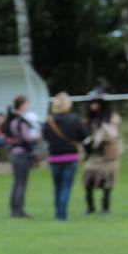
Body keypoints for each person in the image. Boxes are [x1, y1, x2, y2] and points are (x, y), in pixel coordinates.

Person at [42, 92, 87, 220]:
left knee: (57, 187)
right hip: (70, 157)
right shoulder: (74, 119)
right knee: (66, 187)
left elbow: (45, 137)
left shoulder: (49, 121)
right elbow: (83, 136)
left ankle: (58, 212)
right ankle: (62, 214)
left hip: (54, 158)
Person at [81, 93, 123, 214]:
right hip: (93, 155)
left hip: (108, 156)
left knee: (107, 183)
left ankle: (105, 208)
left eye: (96, 102)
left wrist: (103, 130)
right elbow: (84, 134)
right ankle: (90, 207)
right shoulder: (89, 119)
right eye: (92, 103)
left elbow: (114, 134)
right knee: (88, 182)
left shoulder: (112, 117)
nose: (93, 105)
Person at [4, 95, 41, 218]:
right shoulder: (21, 122)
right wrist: (38, 137)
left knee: (16, 182)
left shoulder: (12, 120)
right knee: (21, 183)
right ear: (22, 105)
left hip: (14, 153)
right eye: (26, 104)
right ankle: (18, 210)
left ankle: (14, 208)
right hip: (22, 154)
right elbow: (26, 138)